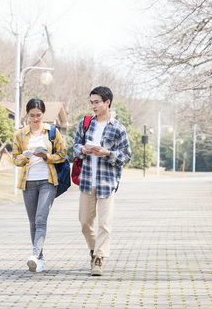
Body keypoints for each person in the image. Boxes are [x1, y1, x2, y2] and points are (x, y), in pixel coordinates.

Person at [73, 86, 131, 276]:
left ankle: (99, 258)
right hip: (87, 180)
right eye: (91, 102)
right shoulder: (85, 123)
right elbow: (73, 147)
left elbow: (126, 156)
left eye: (96, 102)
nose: (93, 106)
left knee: (105, 224)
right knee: (84, 222)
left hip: (107, 182)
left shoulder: (118, 128)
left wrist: (107, 153)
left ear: (107, 102)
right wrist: (82, 150)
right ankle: (94, 249)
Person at [13, 98, 67, 273]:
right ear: (27, 115)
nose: (35, 119)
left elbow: (62, 154)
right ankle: (40, 260)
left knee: (41, 219)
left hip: (47, 181)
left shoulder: (52, 132)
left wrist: (47, 157)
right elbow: (15, 159)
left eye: (38, 115)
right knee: (32, 223)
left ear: (44, 114)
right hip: (28, 182)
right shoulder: (20, 134)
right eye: (32, 115)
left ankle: (34, 256)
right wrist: (26, 156)